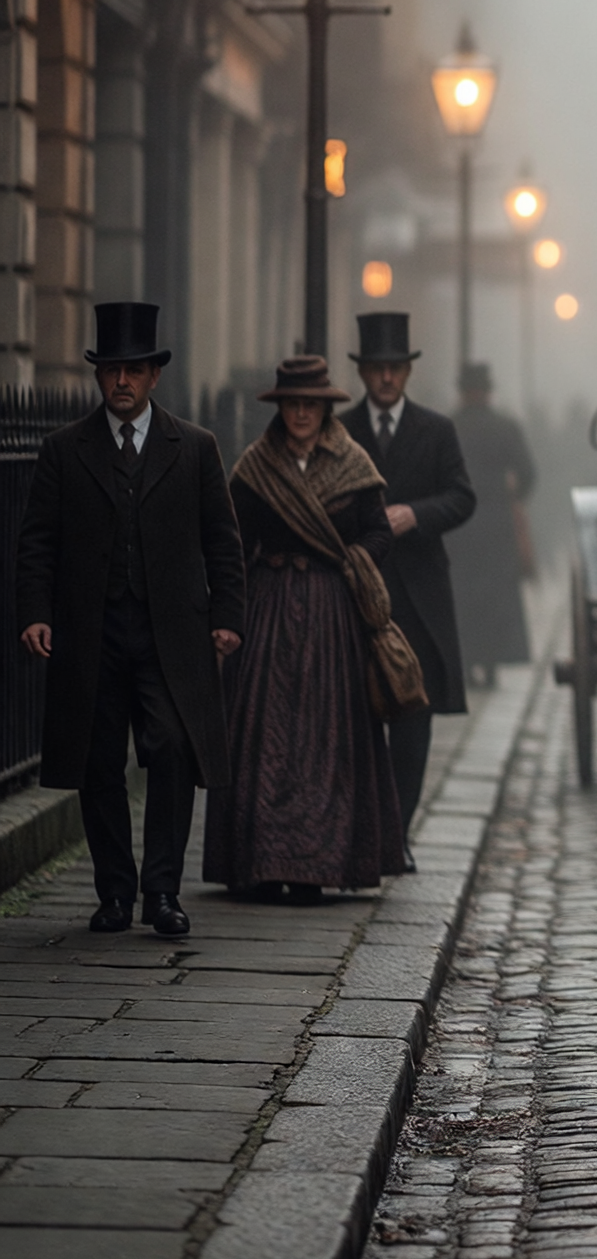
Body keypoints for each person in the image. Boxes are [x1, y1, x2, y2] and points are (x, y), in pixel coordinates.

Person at [15, 303, 244, 937]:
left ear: (154, 376)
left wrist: (228, 614)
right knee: (97, 759)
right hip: (90, 631)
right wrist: (35, 612)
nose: (122, 381)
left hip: (171, 633)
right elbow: (37, 541)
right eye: (112, 370)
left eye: (134, 370)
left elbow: (222, 540)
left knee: (171, 746)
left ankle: (162, 892)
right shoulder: (64, 449)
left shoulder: (194, 447)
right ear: (98, 375)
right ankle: (114, 893)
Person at [204, 356, 408, 897]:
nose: (300, 414)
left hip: (330, 612)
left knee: (326, 736)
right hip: (269, 610)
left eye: (310, 405)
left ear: (324, 409)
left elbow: (378, 532)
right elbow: (232, 542)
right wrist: (228, 613)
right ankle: (260, 864)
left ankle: (315, 867)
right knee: (263, 737)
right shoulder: (255, 467)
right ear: (280, 408)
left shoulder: (354, 464)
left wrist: (355, 561)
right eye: (293, 404)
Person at [342, 312, 475, 841]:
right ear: (362, 372)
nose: (386, 377)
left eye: (395, 368)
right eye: (377, 368)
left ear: (408, 372)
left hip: (419, 598)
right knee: (357, 717)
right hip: (356, 595)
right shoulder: (340, 430)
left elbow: (462, 497)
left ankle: (396, 834)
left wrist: (415, 514)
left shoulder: (436, 430)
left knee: (413, 722)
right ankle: (365, 832)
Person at [448, 361, 537, 687]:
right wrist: (512, 497)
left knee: (461, 595)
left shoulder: (447, 427)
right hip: (496, 521)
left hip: (457, 523)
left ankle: (466, 662)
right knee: (495, 596)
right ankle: (490, 662)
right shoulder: (505, 426)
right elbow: (527, 473)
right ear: (487, 391)